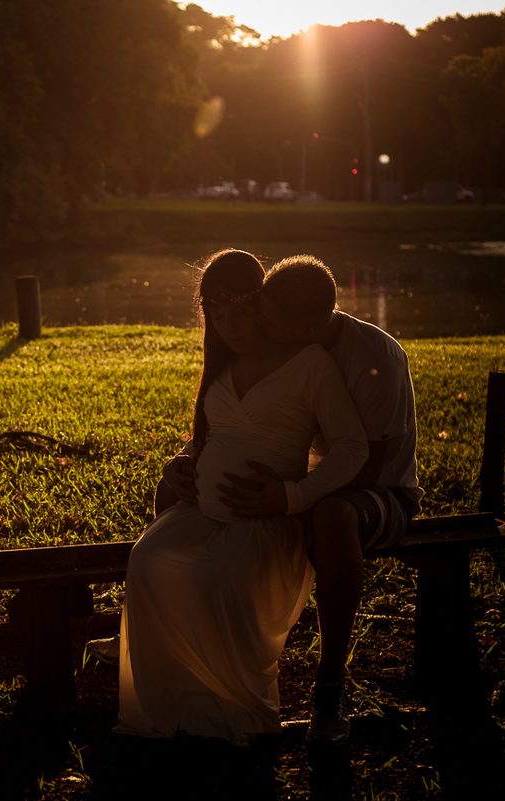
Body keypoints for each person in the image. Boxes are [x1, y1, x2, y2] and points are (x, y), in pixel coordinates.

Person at [112, 249, 369, 746]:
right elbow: (217, 434)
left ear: (263, 306)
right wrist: (181, 461)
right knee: (148, 559)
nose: (229, 327)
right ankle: (168, 706)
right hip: (202, 512)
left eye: (240, 313)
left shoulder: (309, 363)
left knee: (221, 574)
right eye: (218, 316)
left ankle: (232, 709)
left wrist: (292, 496)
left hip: (268, 519)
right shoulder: (223, 363)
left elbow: (352, 447)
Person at [212, 255, 423, 745]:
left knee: (332, 514)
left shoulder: (375, 356)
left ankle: (330, 685)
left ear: (306, 325)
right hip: (306, 482)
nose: (258, 322)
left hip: (382, 494)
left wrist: (290, 498)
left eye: (266, 317)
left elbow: (368, 465)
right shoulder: (291, 344)